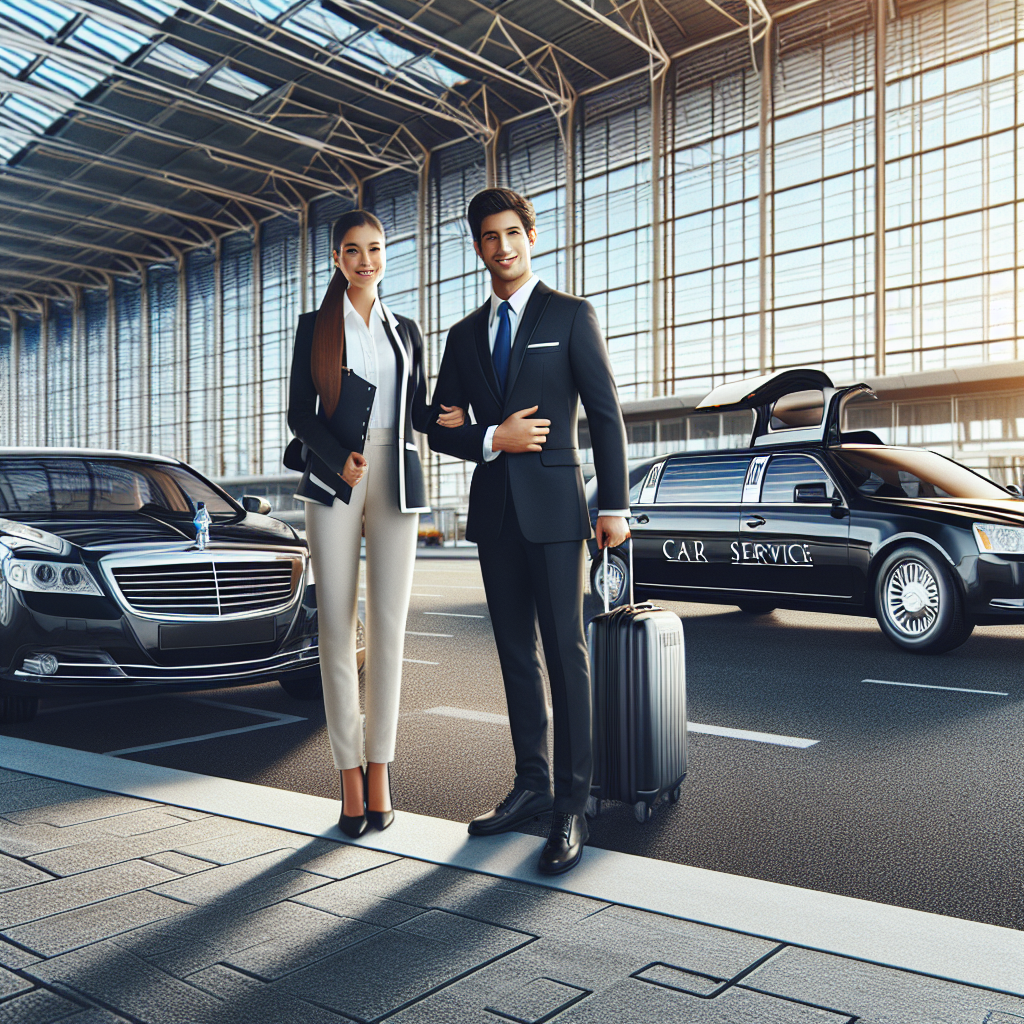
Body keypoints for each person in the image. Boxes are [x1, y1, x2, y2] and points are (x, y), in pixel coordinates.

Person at [427, 187, 630, 874]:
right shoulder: (462, 336)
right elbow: (438, 423)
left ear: (532, 237)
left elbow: (605, 415)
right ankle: (531, 786)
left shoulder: (570, 317)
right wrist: (493, 437)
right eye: (489, 236)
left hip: (555, 513)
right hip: (495, 514)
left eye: (512, 233)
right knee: (516, 655)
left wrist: (616, 508)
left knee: (566, 652)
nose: (503, 246)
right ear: (478, 246)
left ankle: (573, 805)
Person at [287, 210, 461, 837]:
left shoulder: (405, 330)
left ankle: (381, 767)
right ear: (336, 257)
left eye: (376, 249)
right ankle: (347, 778)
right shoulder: (316, 328)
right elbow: (298, 417)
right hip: (337, 477)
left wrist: (458, 412)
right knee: (338, 626)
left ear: (387, 253)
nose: (366, 260)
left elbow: (418, 409)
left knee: (389, 628)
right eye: (353, 251)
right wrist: (339, 458)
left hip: (397, 471)